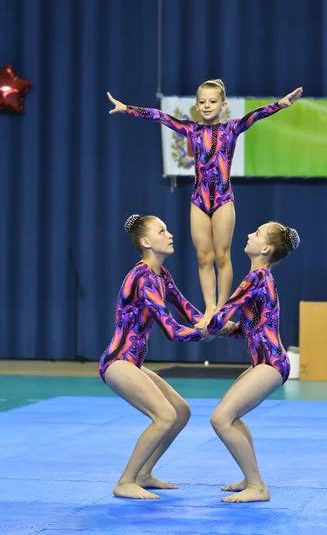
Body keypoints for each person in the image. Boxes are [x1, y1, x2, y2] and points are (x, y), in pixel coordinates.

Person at [107, 82, 303, 323]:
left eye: (212, 101)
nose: (207, 106)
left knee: (222, 255)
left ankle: (222, 309)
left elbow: (255, 115)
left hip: (222, 200)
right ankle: (210, 308)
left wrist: (279, 105)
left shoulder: (231, 129)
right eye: (202, 102)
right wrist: (127, 108)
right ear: (196, 106)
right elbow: (161, 116)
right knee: (203, 257)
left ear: (223, 105)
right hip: (198, 200)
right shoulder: (191, 130)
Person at [99, 214, 212, 500]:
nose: (170, 234)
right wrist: (203, 334)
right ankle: (125, 481)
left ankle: (145, 473)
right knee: (164, 416)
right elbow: (171, 330)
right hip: (118, 362)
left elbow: (186, 309)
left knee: (181, 411)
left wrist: (219, 325)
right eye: (162, 231)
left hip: (132, 362)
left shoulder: (161, 275)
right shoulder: (142, 277)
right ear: (147, 242)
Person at [200, 221, 300, 503]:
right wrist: (229, 329)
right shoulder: (261, 278)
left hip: (270, 363)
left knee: (220, 419)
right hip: (266, 361)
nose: (248, 234)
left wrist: (208, 325)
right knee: (232, 417)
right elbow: (254, 325)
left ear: (265, 248)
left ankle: (257, 486)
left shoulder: (256, 278)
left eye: (255, 234)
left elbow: (224, 311)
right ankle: (250, 478)